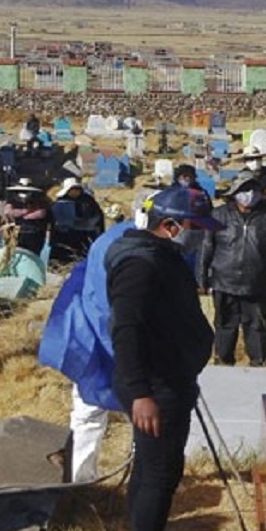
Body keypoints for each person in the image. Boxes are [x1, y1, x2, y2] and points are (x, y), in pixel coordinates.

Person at [108, 186, 223, 531]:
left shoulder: (164, 256)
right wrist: (141, 393)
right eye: (196, 226)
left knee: (156, 464)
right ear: (171, 225)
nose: (202, 235)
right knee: (159, 469)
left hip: (171, 378)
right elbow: (126, 330)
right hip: (154, 385)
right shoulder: (139, 266)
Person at [39, 191, 164, 483]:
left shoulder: (130, 239)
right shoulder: (124, 248)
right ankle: (85, 482)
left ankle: (103, 478)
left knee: (93, 411)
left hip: (99, 336)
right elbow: (112, 310)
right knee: (95, 408)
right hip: (101, 337)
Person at [200, 170, 266, 367]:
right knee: (224, 328)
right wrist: (202, 279)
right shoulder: (218, 216)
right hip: (224, 284)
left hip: (258, 286)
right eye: (244, 190)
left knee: (257, 329)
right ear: (235, 192)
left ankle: (259, 368)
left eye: (253, 189)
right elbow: (206, 249)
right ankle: (223, 367)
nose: (249, 194)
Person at [49, 178, 105, 266]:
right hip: (64, 236)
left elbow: (97, 217)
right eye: (72, 189)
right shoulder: (60, 203)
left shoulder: (88, 201)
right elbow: (55, 220)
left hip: (85, 235)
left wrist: (88, 223)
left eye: (77, 189)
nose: (75, 192)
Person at [1, 179, 52, 256]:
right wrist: (25, 212)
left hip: (35, 235)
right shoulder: (11, 201)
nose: (23, 194)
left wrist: (24, 214)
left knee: (33, 256)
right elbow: (8, 212)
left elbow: (41, 213)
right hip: (15, 234)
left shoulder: (40, 202)